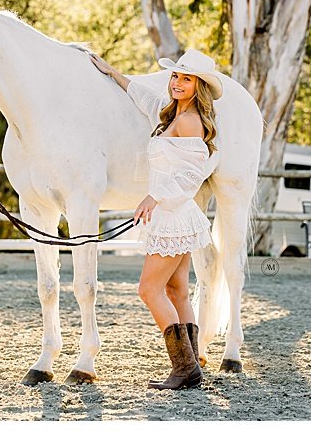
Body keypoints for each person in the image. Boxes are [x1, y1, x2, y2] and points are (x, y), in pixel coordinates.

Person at [90, 49, 224, 389]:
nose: (178, 83)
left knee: (149, 290)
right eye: (176, 76)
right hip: (174, 215)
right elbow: (142, 96)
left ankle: (184, 369)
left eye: (186, 79)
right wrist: (112, 72)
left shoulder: (190, 121)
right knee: (177, 291)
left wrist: (153, 197)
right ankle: (192, 364)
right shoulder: (171, 116)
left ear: (199, 86)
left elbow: (192, 178)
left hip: (172, 214)